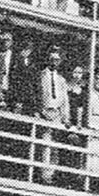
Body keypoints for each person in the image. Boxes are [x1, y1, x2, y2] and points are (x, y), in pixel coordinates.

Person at [38, 46, 70, 183]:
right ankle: (43, 175)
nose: (54, 62)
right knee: (45, 145)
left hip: (57, 114)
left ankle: (51, 175)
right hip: (45, 112)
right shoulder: (41, 75)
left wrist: (66, 117)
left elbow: (65, 101)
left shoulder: (61, 80)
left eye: (57, 60)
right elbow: (38, 94)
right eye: (52, 59)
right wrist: (40, 111)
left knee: (55, 147)